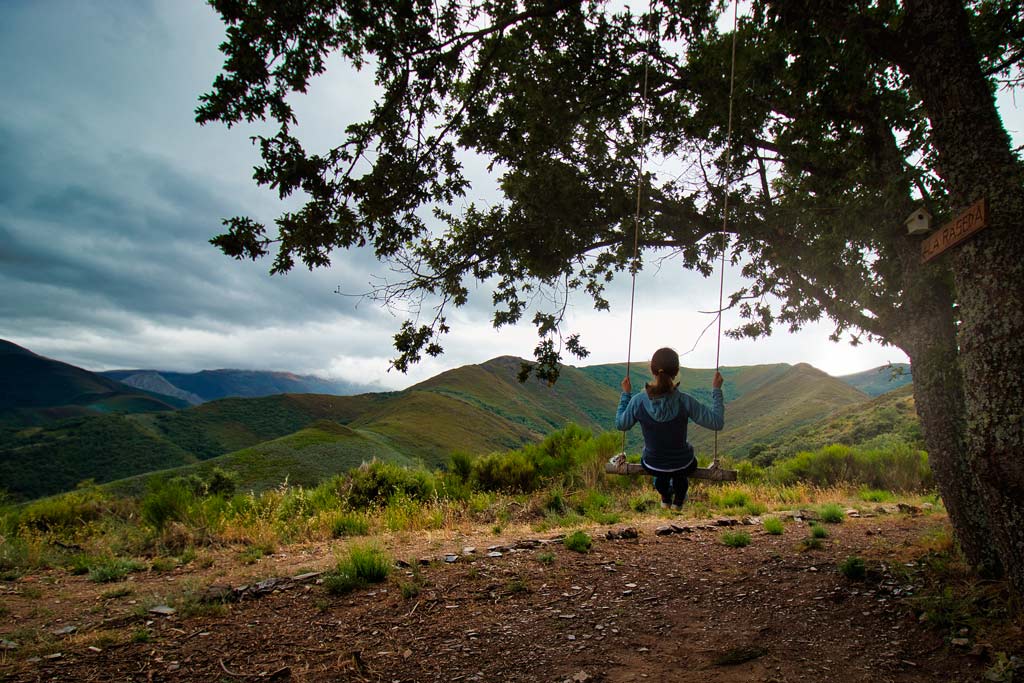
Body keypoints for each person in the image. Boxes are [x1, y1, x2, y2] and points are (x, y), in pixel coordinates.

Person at [615, 347, 725, 510]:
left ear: (652, 370)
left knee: (661, 470)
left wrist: (626, 395)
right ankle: (679, 496)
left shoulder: (638, 401)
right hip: (683, 463)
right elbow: (717, 422)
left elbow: (621, 424)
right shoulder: (684, 401)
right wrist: (717, 390)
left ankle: (665, 494)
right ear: (676, 372)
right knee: (681, 466)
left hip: (652, 463)